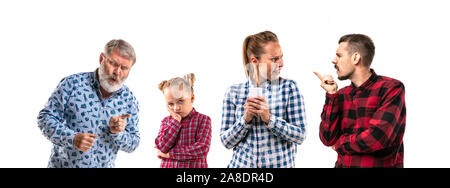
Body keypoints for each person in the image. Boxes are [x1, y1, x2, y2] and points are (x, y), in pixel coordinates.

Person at [37, 39, 140, 168]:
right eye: (113, 64)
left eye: (124, 68)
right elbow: (45, 118)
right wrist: (72, 138)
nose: (117, 72)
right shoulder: (72, 84)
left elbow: (133, 143)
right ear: (102, 58)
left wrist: (117, 133)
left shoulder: (129, 100)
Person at [314, 34, 406, 168]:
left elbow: (377, 137)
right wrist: (331, 95)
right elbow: (327, 139)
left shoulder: (391, 88)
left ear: (356, 58)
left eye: (339, 55)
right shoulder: (341, 94)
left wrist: (340, 143)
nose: (334, 60)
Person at [220, 31, 307, 168]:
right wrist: (245, 119)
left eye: (281, 57)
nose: (281, 63)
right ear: (255, 61)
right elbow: (226, 142)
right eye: (274, 59)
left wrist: (269, 119)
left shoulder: (289, 88)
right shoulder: (234, 92)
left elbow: (300, 136)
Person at [155, 73, 212, 168]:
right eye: (170, 104)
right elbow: (162, 147)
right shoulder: (166, 122)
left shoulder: (203, 120)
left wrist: (170, 154)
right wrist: (175, 122)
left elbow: (202, 149)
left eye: (180, 101)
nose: (176, 108)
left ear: (192, 98)